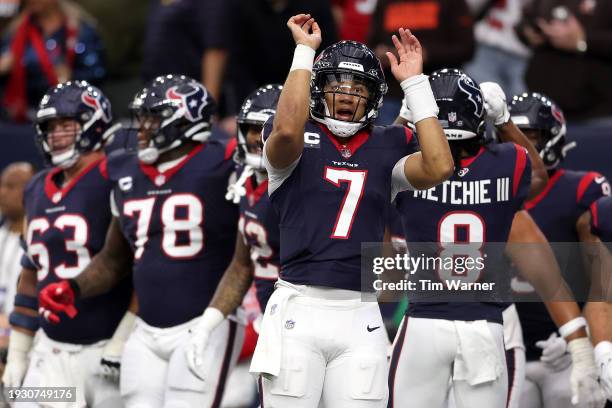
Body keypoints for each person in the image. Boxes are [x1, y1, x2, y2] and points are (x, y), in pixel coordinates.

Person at [37, 74, 243, 408]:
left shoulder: (225, 162)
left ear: (185, 121)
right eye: (142, 117)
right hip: (145, 330)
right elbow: (114, 259)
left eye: (153, 118)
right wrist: (73, 287)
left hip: (206, 321)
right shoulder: (125, 171)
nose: (143, 127)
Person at [2, 81, 130, 407]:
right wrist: (18, 352)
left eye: (65, 125)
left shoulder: (117, 176)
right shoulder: (36, 188)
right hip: (50, 349)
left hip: (107, 347)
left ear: (94, 122)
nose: (56, 135)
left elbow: (142, 266)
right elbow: (31, 271)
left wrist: (122, 338)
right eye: (50, 127)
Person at [510, 92, 610, 408]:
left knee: (568, 395)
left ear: (552, 138)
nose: (523, 145)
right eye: (512, 134)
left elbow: (603, 287)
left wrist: (582, 341)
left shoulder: (582, 190)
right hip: (507, 345)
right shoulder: (488, 188)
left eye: (531, 135)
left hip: (569, 346)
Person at [368, 0, 475, 124]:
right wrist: (380, 54)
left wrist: (426, 54)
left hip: (438, 96)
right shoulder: (385, 2)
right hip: (391, 94)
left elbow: (466, 48)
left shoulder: (452, 3)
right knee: (386, 142)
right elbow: (372, 44)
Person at [0, 0, 106, 122]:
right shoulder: (16, 32)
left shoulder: (80, 31)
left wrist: (73, 78)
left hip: (69, 118)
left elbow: (97, 74)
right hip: (21, 119)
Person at [517, 0, 612, 123]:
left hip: (595, 111)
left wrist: (583, 40)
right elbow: (526, 19)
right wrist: (529, 32)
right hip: (541, 107)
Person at [0, 162, 34, 346]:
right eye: (2, 185)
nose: (2, 192)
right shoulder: (1, 236)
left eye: (11, 186)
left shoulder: (40, 245)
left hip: (25, 338)